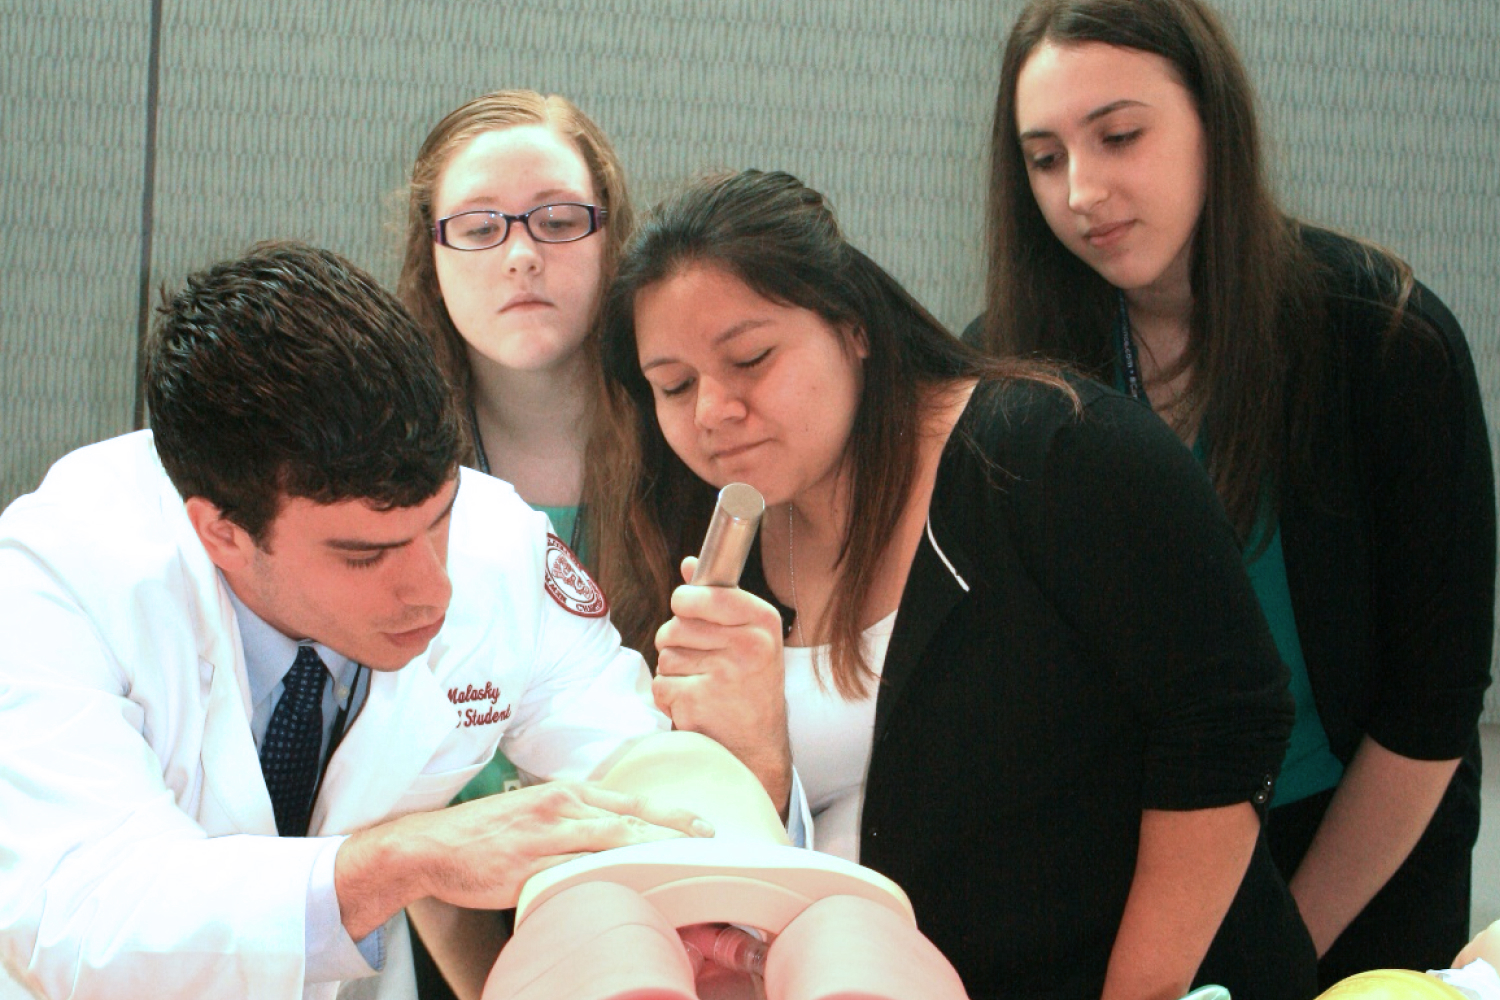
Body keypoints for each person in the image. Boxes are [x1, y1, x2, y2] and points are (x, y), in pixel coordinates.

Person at [597, 168, 1318, 1000]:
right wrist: (749, 750)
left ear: (853, 325)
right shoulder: (718, 534)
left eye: (751, 358)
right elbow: (743, 859)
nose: (714, 410)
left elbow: (1225, 731)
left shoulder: (1054, 456)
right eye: (674, 386)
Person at [0, 242, 732, 1000]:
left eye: (440, 520)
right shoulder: (60, 574)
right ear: (221, 532)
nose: (433, 591)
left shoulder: (501, 547)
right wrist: (402, 860)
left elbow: (633, 768)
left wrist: (730, 887)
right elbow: (77, 913)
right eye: (364, 555)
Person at [971, 0, 1495, 986]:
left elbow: (1431, 712)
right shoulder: (1013, 382)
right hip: (1138, 865)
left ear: (1214, 118)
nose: (1083, 190)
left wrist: (1282, 948)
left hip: (1359, 858)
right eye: (1044, 158)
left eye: (1120, 135)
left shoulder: (1388, 341)